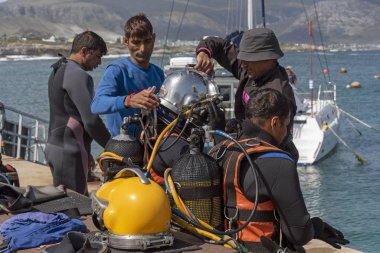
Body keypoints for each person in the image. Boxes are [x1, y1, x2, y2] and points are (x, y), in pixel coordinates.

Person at [209, 89, 349, 252]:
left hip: (223, 246)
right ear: (275, 122)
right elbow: (299, 234)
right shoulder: (277, 161)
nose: (287, 133)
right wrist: (317, 228)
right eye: (287, 124)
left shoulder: (220, 150)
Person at [194, 28, 298, 161]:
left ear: (268, 58)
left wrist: (221, 129)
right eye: (242, 58)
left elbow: (264, 138)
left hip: (268, 159)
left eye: (248, 59)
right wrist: (204, 53)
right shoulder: (253, 70)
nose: (242, 64)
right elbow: (219, 45)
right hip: (246, 144)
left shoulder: (277, 96)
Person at [46, 31, 111, 195]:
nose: (99, 62)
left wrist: (86, 149)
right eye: (97, 56)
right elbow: (91, 121)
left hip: (56, 146)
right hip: (70, 151)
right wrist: (113, 147)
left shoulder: (58, 69)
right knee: (74, 208)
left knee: (65, 206)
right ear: (84, 51)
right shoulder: (79, 75)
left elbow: (68, 113)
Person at [91, 13, 163, 137]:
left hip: (152, 145)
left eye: (147, 41)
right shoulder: (117, 70)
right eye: (136, 42)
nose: (143, 49)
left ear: (154, 38)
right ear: (126, 41)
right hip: (125, 147)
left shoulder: (158, 73)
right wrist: (129, 100)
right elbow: (97, 104)